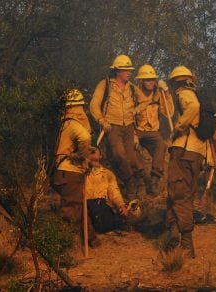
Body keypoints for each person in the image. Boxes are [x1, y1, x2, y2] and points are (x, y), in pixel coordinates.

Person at [165, 65, 216, 258]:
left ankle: (187, 244)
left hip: (182, 151)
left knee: (179, 194)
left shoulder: (185, 94)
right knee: (182, 194)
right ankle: (173, 231)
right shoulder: (205, 105)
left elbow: (192, 107)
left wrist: (178, 128)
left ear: (176, 82)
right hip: (197, 155)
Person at [90, 54, 147, 200]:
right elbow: (93, 105)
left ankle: (140, 183)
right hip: (112, 127)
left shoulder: (132, 88)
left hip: (128, 126)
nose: (129, 72)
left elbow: (144, 102)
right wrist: (102, 121)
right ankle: (130, 182)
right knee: (118, 155)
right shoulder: (105, 85)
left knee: (132, 157)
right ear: (117, 71)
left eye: (130, 69)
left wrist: (136, 110)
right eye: (126, 69)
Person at [51, 89, 98, 247]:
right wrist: (83, 155)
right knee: (71, 210)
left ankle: (91, 239)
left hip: (62, 172)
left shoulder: (63, 123)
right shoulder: (72, 123)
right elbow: (85, 137)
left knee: (78, 205)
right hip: (69, 172)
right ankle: (62, 247)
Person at [134, 64, 174, 196]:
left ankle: (154, 181)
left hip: (153, 132)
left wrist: (167, 93)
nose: (150, 82)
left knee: (162, 145)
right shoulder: (133, 93)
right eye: (147, 80)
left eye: (152, 79)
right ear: (141, 80)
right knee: (131, 149)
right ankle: (139, 179)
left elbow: (169, 113)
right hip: (137, 130)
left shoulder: (159, 93)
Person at [85, 146, 129, 233]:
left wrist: (121, 205)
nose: (92, 151)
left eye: (95, 150)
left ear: (100, 155)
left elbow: (114, 192)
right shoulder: (81, 173)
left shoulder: (108, 174)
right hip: (86, 208)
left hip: (102, 207)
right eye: (90, 150)